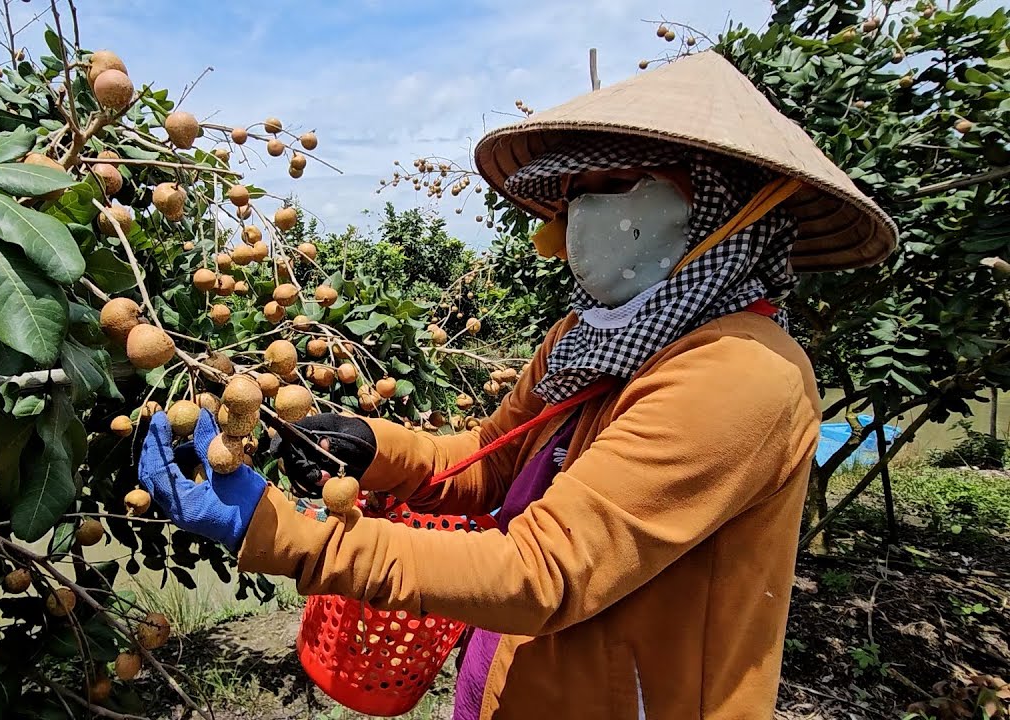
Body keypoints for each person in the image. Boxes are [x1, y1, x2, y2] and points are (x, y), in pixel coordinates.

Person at [138, 51, 898, 719]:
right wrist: (375, 448)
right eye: (577, 190)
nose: (576, 216)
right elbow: (491, 459)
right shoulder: (590, 336)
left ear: (724, 205)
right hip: (514, 681)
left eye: (616, 185)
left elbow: (542, 570)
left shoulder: (742, 373)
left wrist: (281, 535)